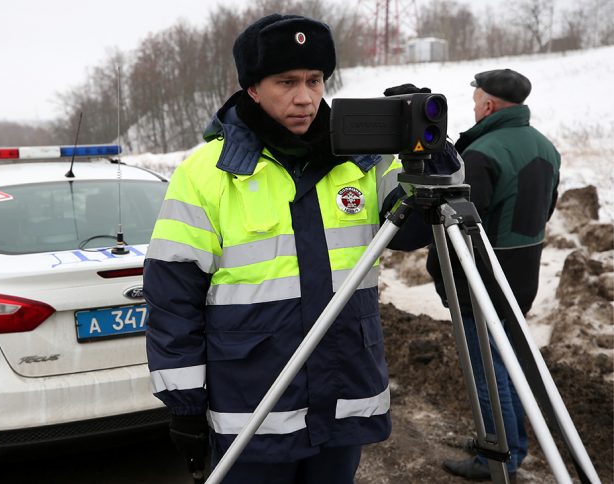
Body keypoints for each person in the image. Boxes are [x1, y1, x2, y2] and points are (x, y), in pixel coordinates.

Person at [143, 13, 461, 484]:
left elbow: (417, 229)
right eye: (286, 82)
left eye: (314, 80)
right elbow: (173, 297)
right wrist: (185, 404)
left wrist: (431, 156)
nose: (305, 97)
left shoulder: (363, 161)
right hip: (253, 408)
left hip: (342, 396)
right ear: (253, 88)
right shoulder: (206, 173)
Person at [426, 68, 561, 481]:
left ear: (488, 105)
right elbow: (547, 209)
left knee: (487, 368)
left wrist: (441, 271)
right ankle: (507, 440)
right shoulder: (546, 147)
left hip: (483, 277)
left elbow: (461, 225)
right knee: (506, 360)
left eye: (475, 101)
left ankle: (499, 456)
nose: (473, 108)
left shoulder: (482, 152)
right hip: (523, 275)